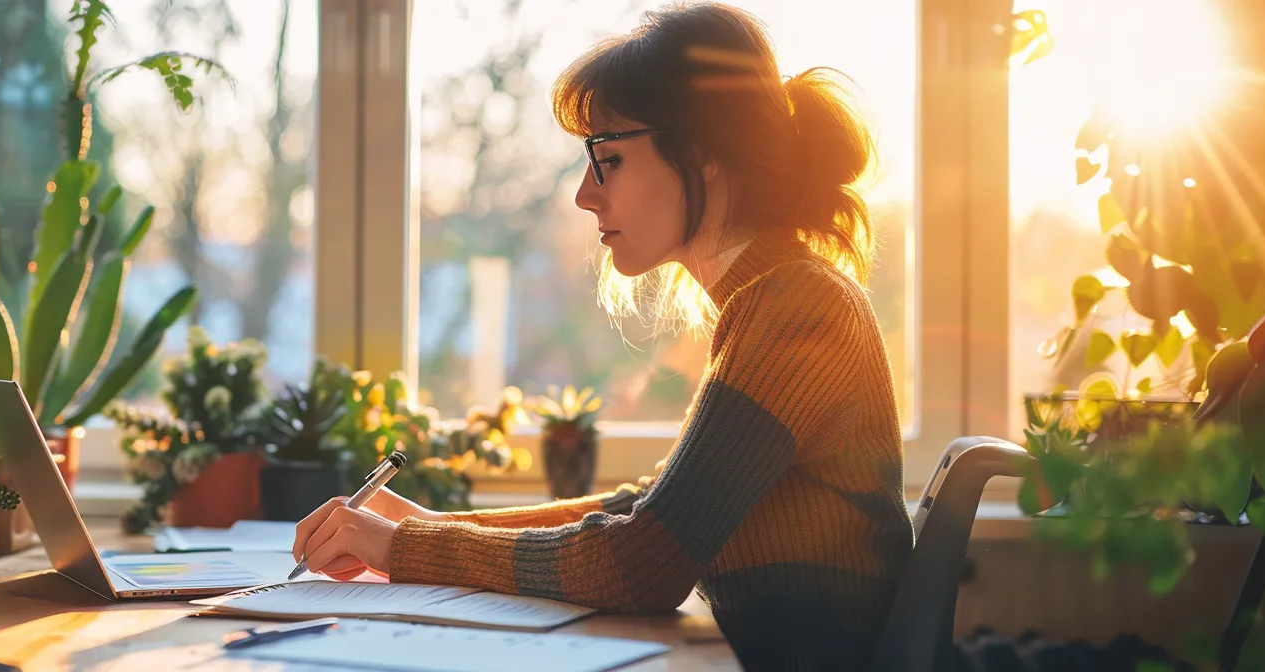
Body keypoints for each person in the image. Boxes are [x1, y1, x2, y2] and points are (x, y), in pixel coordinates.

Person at [289, 2, 913, 668]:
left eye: (606, 159)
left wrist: (402, 547)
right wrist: (425, 530)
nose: (585, 194)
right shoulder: (770, 297)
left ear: (700, 154)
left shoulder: (795, 305)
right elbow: (647, 511)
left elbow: (645, 561)